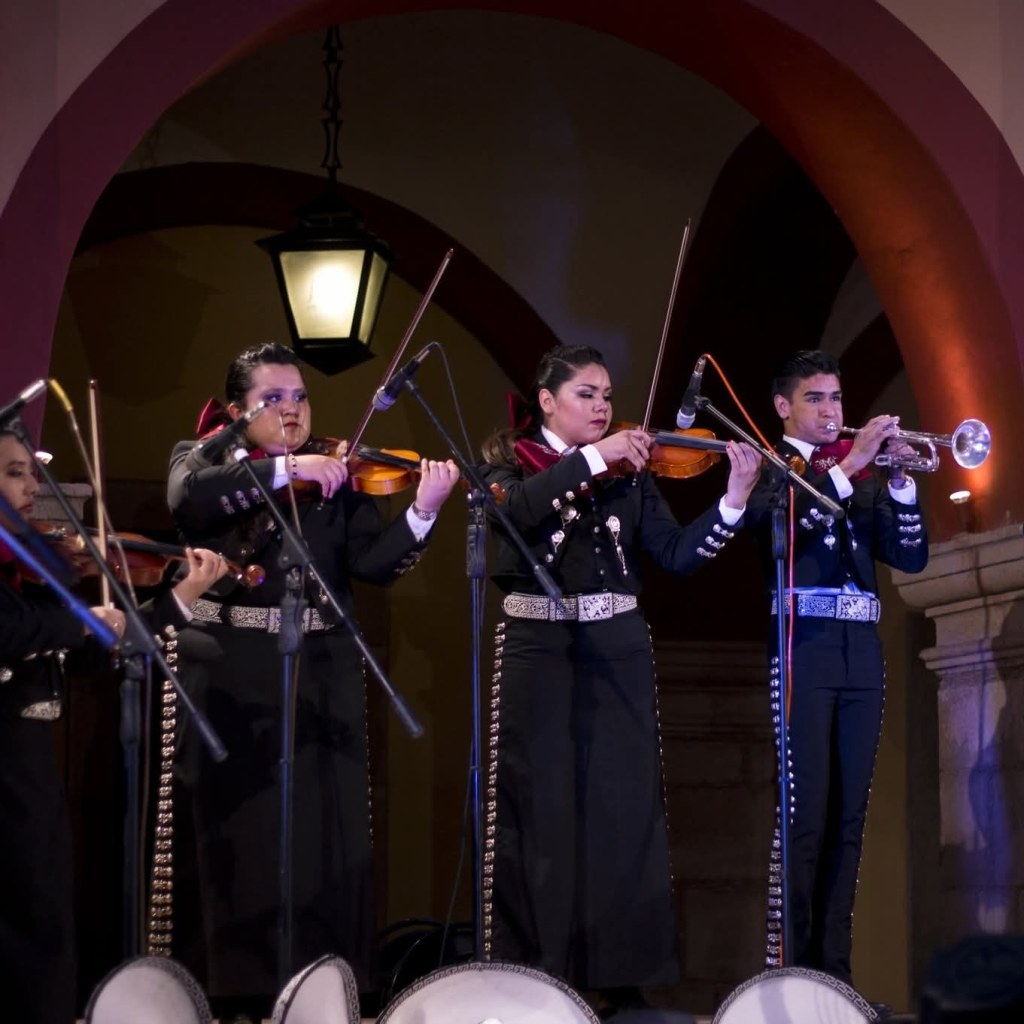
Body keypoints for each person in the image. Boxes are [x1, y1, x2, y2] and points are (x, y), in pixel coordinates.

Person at [166, 341, 459, 1018]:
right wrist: (287, 469)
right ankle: (234, 995)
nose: (293, 410)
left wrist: (424, 509)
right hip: (232, 666)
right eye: (273, 399)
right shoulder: (202, 456)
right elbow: (188, 497)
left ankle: (320, 991)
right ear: (238, 412)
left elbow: (372, 563)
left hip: (322, 663)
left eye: (300, 396)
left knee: (324, 830)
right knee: (240, 831)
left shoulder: (338, 469)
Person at [477, 344, 761, 1007]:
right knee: (542, 811)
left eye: (607, 395)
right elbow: (517, 511)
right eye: (587, 394)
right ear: (546, 401)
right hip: (539, 647)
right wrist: (593, 460)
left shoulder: (631, 474)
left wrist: (732, 501)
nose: (603, 407)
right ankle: (538, 982)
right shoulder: (507, 465)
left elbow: (676, 555)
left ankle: (618, 982)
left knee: (623, 810)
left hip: (618, 646)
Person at [0, 428, 227, 1024]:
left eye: (31, 472)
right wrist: (76, 622)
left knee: (45, 919)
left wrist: (183, 594)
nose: (32, 487)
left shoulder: (29, 574)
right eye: (15, 473)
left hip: (30, 776)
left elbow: (106, 650)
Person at [744, 350, 928, 988]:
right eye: (816, 398)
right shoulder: (770, 467)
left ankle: (835, 982)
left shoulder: (862, 475)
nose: (831, 411)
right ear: (783, 406)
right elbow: (784, 526)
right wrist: (851, 466)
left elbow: (909, 557)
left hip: (861, 652)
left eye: (837, 398)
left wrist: (900, 482)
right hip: (804, 647)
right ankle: (790, 976)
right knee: (805, 818)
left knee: (849, 821)